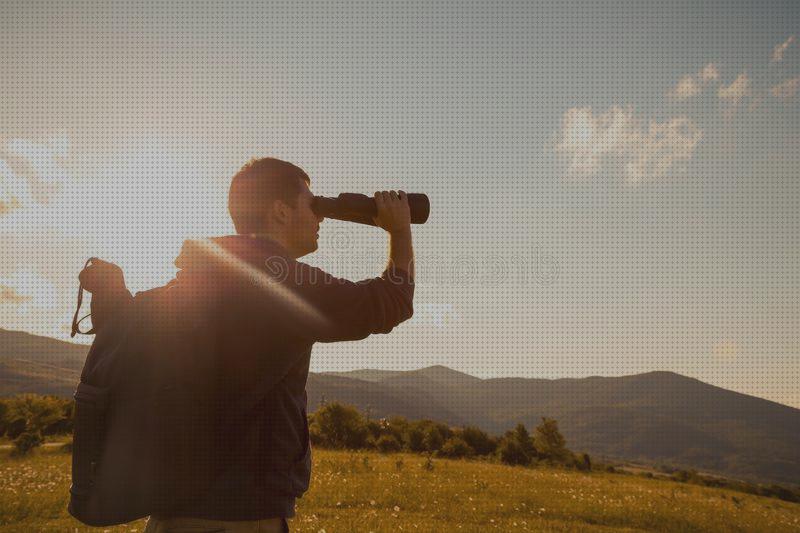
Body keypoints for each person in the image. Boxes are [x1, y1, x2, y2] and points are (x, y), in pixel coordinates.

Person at [143, 158, 415, 533]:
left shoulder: (197, 275)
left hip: (169, 514)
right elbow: (392, 302)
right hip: (240, 515)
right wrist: (399, 231)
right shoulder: (280, 279)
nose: (320, 217)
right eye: (312, 204)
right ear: (280, 212)